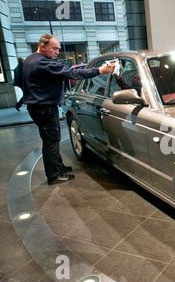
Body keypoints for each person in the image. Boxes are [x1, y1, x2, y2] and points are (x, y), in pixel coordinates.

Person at [22, 34, 115, 185]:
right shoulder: (45, 63)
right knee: (51, 142)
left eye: (58, 48)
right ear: (43, 46)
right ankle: (53, 176)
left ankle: (58, 167)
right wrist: (100, 71)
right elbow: (73, 73)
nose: (57, 52)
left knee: (51, 140)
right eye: (54, 48)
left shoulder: (30, 59)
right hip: (45, 108)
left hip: (37, 107)